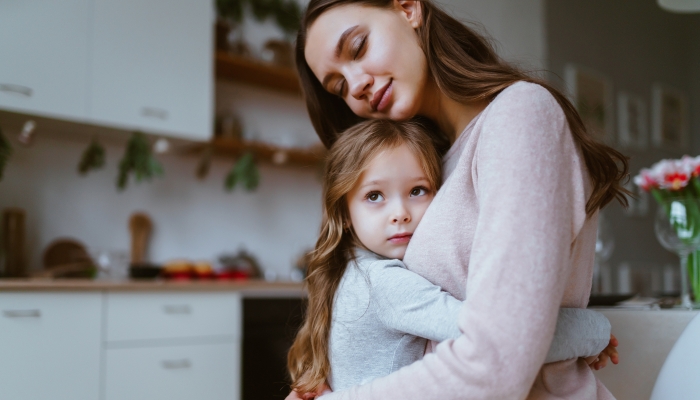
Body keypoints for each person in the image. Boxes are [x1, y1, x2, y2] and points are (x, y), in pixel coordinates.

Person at [293, 0, 629, 398]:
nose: (357, 85)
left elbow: (495, 362)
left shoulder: (519, 115)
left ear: (407, 8)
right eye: (339, 87)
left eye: (358, 47)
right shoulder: (433, 167)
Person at [287, 119, 614, 397]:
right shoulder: (387, 284)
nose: (400, 213)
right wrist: (595, 332)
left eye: (417, 190)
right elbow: (501, 340)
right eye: (375, 196)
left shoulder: (351, 271)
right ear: (343, 213)